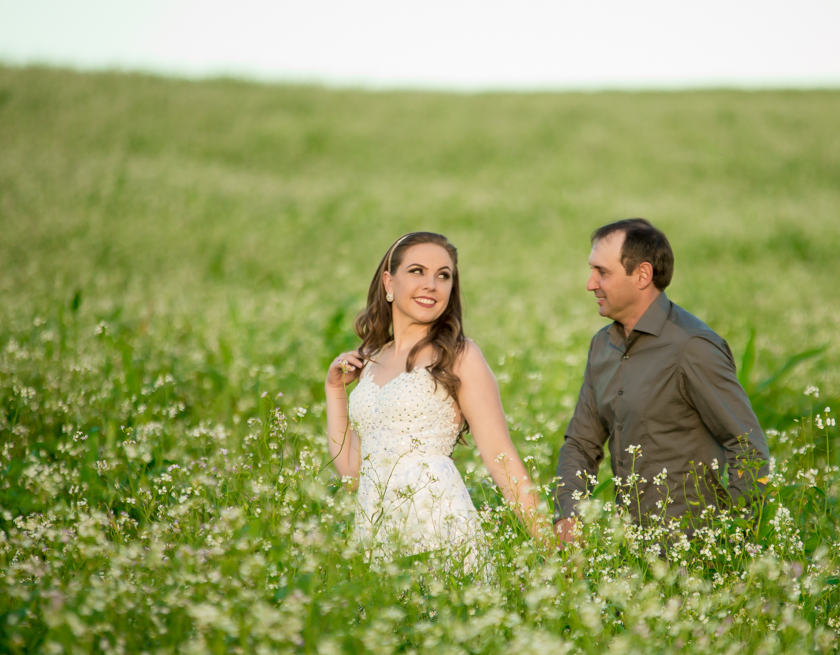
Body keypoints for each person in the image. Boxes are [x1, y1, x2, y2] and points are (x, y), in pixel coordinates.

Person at [325, 232, 544, 562]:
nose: (432, 284)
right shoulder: (371, 358)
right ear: (388, 282)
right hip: (375, 533)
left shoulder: (459, 355)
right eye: (417, 271)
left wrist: (555, 555)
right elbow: (353, 475)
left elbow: (502, 456)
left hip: (438, 528)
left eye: (443, 276)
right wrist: (334, 390)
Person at [554, 219, 769, 544]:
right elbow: (581, 444)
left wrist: (735, 541)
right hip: (630, 553)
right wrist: (568, 512)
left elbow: (748, 448)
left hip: (695, 551)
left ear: (642, 275)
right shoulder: (603, 346)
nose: (590, 283)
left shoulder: (691, 346)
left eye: (603, 272)